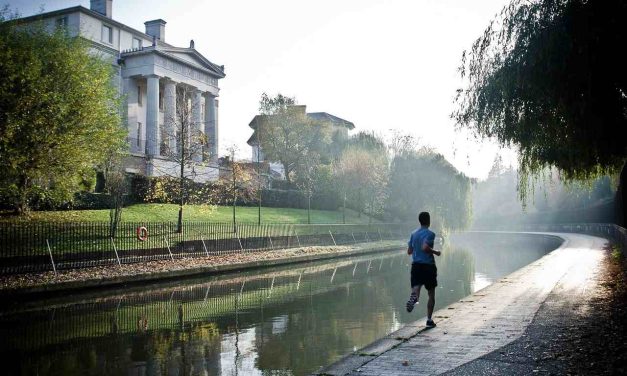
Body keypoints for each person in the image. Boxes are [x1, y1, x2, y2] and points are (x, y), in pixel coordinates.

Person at [406, 211, 441, 327]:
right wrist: (436, 252)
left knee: (416, 289)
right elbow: (425, 247)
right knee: (431, 294)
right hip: (428, 266)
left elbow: (409, 251)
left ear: (419, 221)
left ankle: (413, 298)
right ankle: (429, 320)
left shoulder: (413, 234)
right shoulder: (430, 234)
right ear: (429, 221)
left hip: (416, 266)